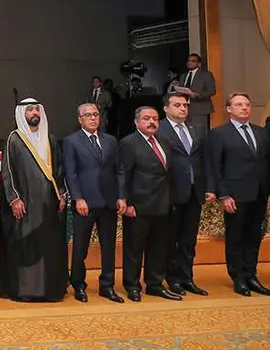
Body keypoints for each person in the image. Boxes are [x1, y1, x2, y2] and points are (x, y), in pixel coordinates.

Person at [0, 98, 68, 302]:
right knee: (27, 245)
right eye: (29, 110)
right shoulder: (15, 139)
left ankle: (49, 289)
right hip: (26, 204)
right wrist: (14, 199)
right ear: (22, 114)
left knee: (49, 246)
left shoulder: (50, 139)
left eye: (37, 109)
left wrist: (61, 194)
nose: (34, 112)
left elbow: (59, 170)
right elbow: (7, 172)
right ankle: (27, 290)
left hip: (49, 204)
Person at [209, 93, 270, 296]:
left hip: (259, 193)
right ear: (229, 109)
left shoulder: (261, 133)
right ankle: (238, 277)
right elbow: (215, 167)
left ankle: (251, 274)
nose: (243, 108)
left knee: (254, 236)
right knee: (236, 236)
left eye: (246, 104)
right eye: (238, 104)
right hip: (235, 194)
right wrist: (224, 195)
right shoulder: (219, 134)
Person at [63, 102, 125, 304]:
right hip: (85, 203)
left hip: (108, 202)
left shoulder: (111, 140)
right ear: (79, 119)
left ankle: (107, 285)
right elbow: (70, 173)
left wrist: (121, 196)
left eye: (96, 114)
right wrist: (78, 197)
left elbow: (119, 171)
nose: (92, 118)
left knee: (109, 247)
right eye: (88, 115)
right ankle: (79, 285)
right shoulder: (71, 141)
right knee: (81, 247)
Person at [120, 106, 179, 302]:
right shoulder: (129, 143)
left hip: (163, 205)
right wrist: (125, 202)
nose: (152, 122)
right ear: (137, 122)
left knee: (158, 248)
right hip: (138, 206)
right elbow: (123, 174)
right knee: (134, 249)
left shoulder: (165, 142)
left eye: (155, 118)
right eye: (146, 118)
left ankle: (154, 284)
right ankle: (132, 285)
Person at [159, 92, 213, 296]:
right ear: (166, 108)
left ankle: (186, 277)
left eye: (185, 105)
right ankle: (172, 279)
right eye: (177, 105)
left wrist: (209, 187)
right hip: (171, 193)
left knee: (188, 239)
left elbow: (204, 160)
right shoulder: (160, 129)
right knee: (170, 238)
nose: (182, 108)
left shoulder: (197, 129)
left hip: (194, 191)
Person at [175, 53, 216, 129]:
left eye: (193, 61)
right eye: (188, 61)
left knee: (199, 133)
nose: (189, 62)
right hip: (185, 108)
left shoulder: (206, 74)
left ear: (199, 64)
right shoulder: (183, 76)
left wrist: (198, 95)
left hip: (200, 108)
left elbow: (212, 91)